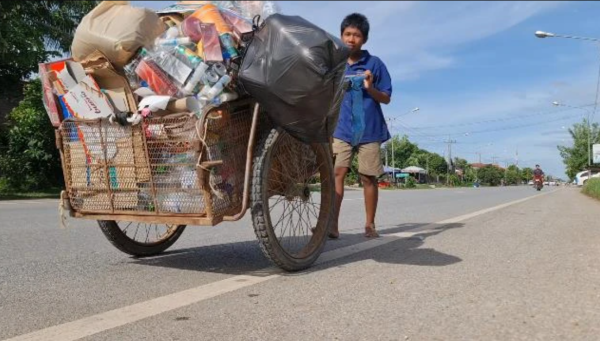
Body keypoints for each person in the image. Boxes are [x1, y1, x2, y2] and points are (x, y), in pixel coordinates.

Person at [330, 13, 393, 239]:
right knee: (337, 172)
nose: (351, 39)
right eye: (347, 34)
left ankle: (369, 224)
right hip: (341, 128)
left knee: (368, 177)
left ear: (364, 39)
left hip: (370, 129)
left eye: (356, 35)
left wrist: (370, 88)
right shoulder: (334, 63)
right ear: (341, 36)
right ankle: (332, 225)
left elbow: (386, 98)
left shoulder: (375, 64)